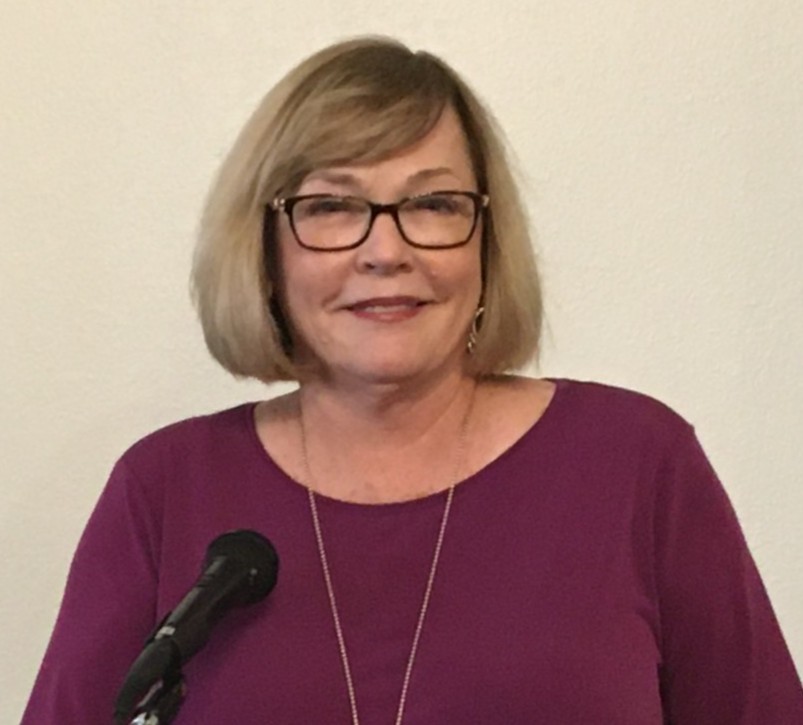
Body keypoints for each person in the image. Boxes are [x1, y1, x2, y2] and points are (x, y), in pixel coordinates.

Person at [22, 36, 803, 724]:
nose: (385, 251)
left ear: (485, 240)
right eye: (332, 205)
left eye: (431, 203)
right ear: (263, 248)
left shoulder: (634, 463)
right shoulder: (165, 490)